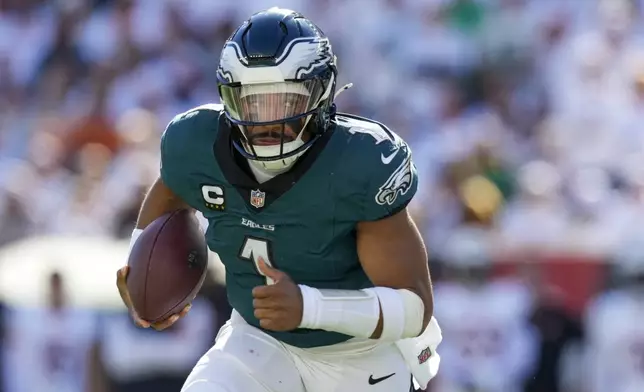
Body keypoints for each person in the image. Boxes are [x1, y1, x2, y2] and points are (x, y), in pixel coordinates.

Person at [115, 7, 442, 392]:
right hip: (257, 338)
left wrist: (308, 306)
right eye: (252, 103)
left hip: (359, 354)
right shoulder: (197, 144)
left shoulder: (360, 162)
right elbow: (171, 189)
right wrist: (143, 268)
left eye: (283, 102)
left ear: (320, 94)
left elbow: (414, 307)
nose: (265, 122)